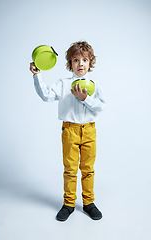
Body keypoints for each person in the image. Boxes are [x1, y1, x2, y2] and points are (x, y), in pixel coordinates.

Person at [30, 41, 106, 221]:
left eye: (85, 59)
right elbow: (46, 95)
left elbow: (100, 107)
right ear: (70, 64)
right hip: (69, 130)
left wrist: (85, 98)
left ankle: (89, 203)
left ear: (90, 63)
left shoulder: (95, 84)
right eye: (76, 60)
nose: (80, 63)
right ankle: (69, 204)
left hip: (89, 130)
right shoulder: (63, 84)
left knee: (88, 169)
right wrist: (37, 76)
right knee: (70, 170)